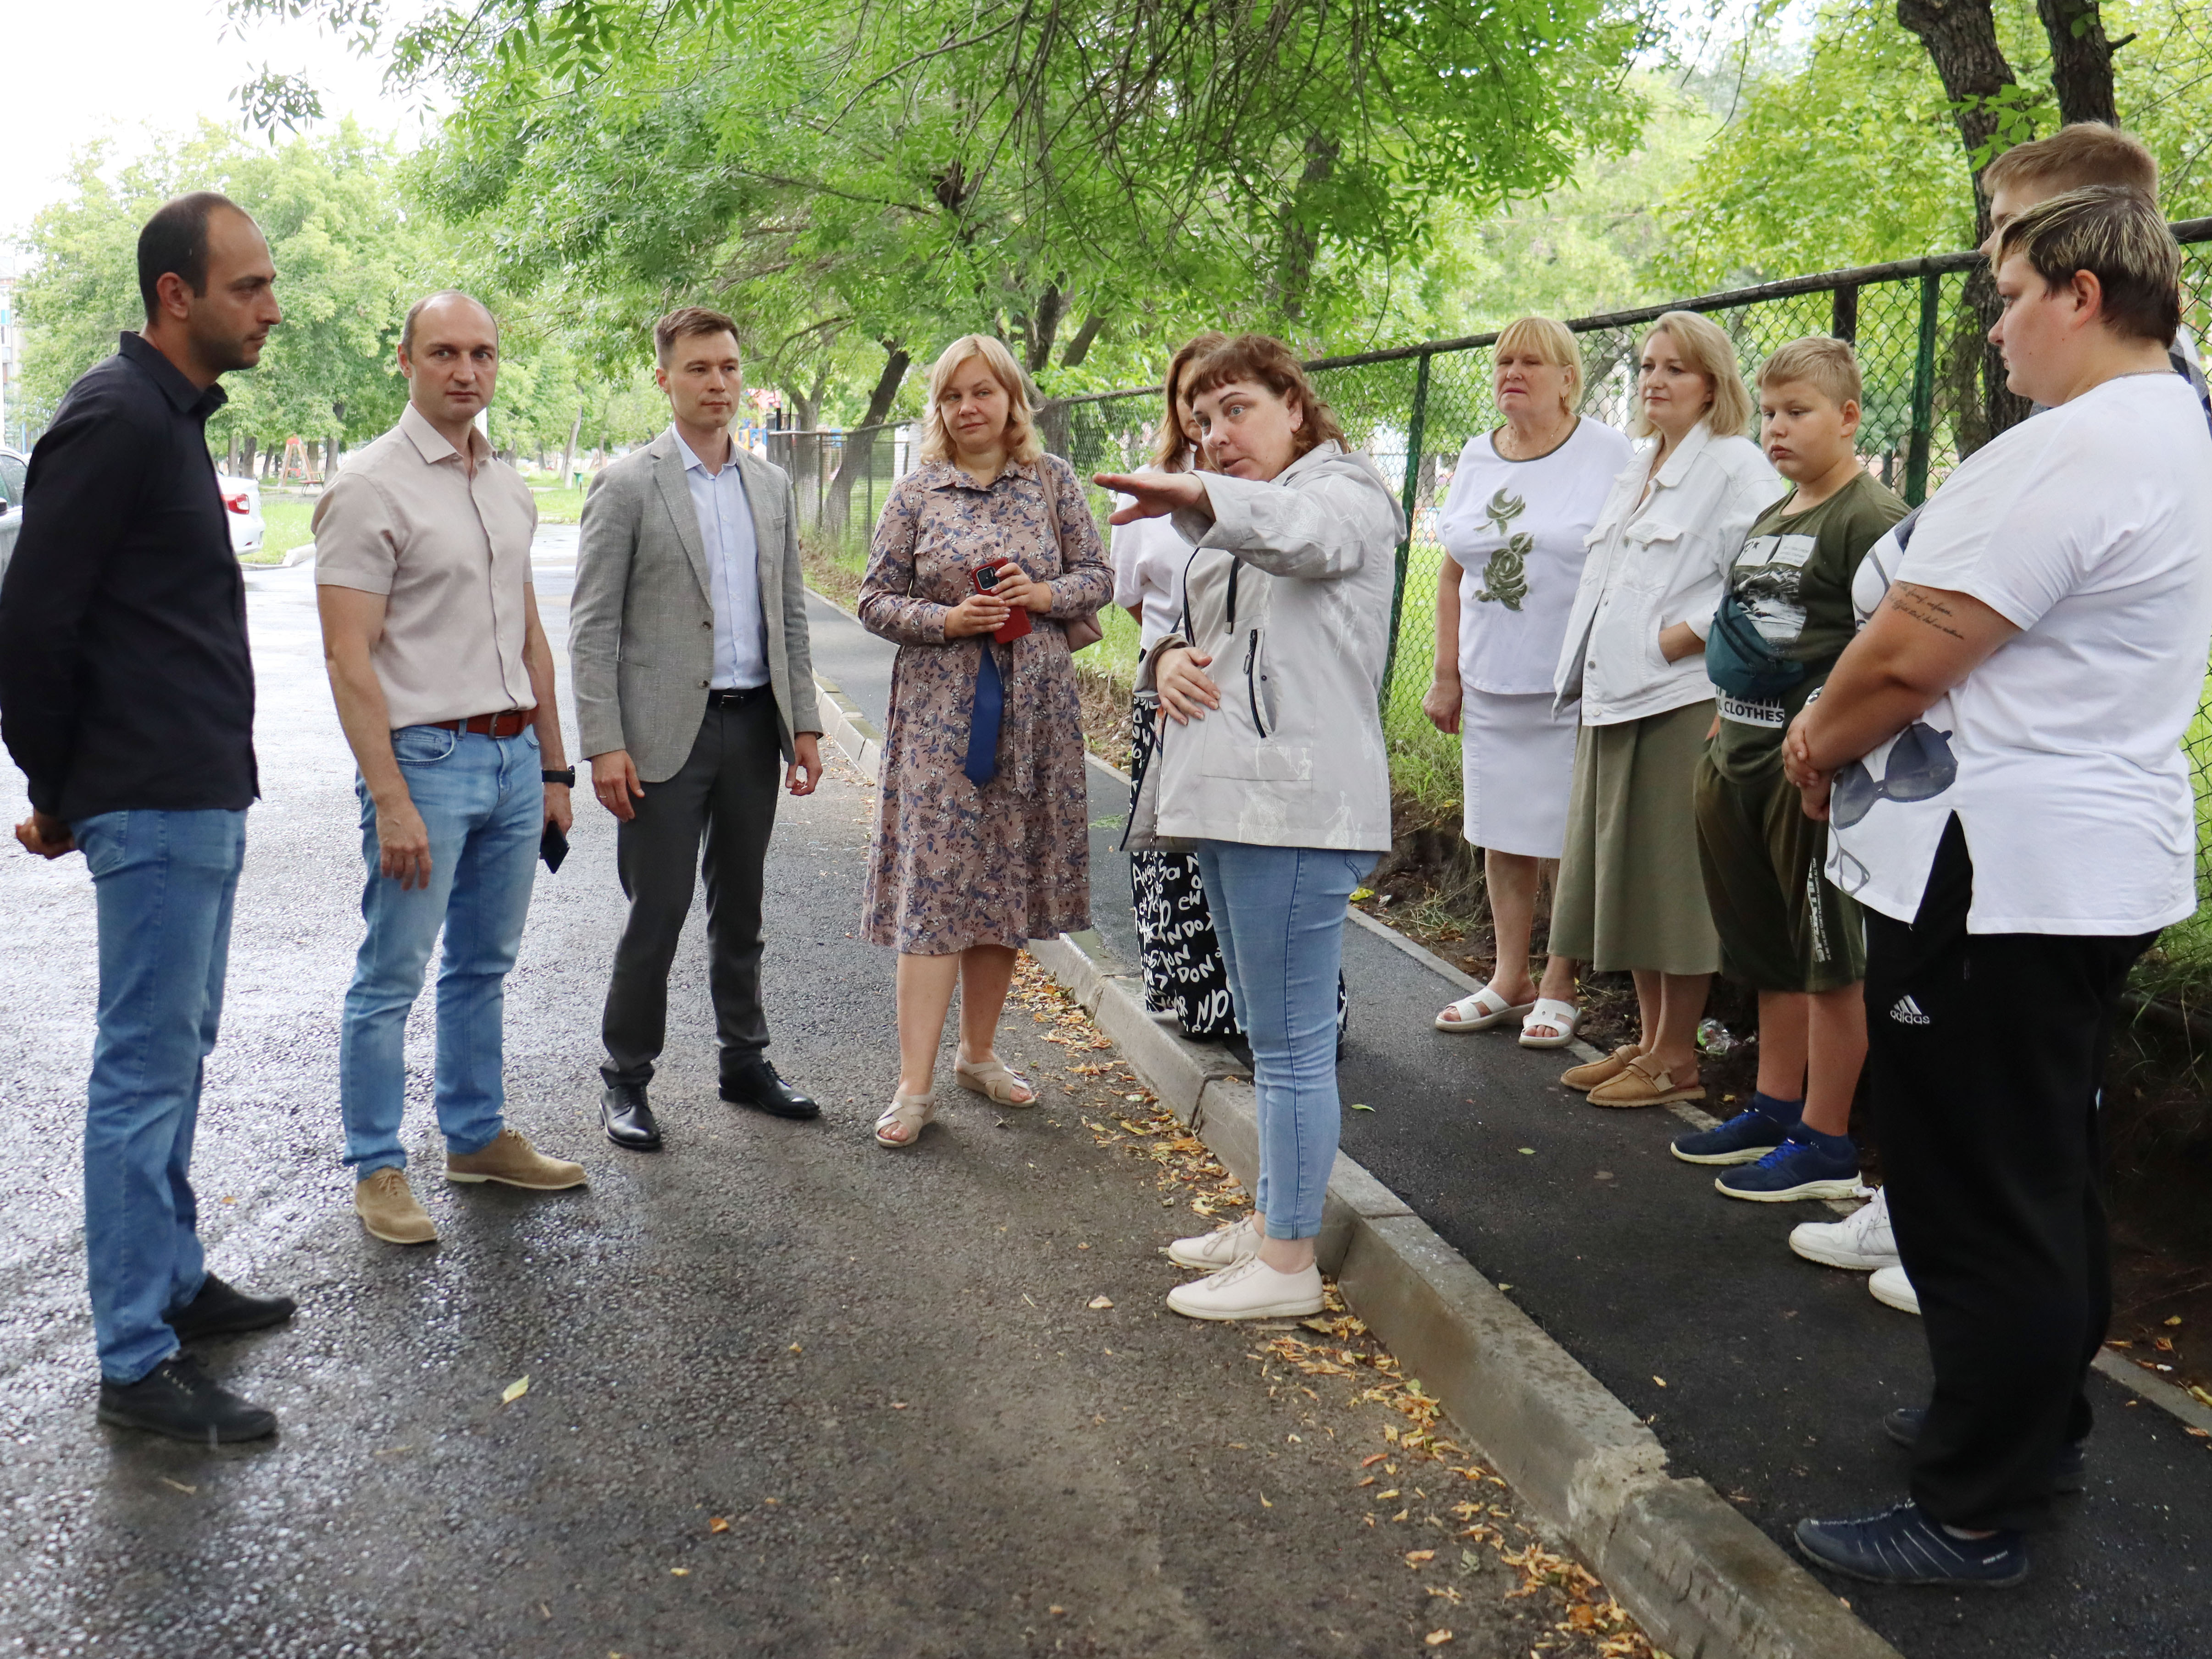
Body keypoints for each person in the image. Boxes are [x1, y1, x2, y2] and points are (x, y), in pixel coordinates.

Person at [1784, 188, 2212, 1588]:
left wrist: (1813, 741)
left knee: (1981, 1189)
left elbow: (1920, 648)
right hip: (2073, 861)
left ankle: (1972, 1508)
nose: (1994, 321)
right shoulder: (2171, 425)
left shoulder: (2091, 440)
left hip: (2004, 870)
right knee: (2041, 1172)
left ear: (2082, 294)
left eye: (2007, 290)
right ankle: (2032, 1427)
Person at [0, 193, 294, 1441]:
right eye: (248, 288)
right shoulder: (116, 417)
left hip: (198, 794)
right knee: (142, 1071)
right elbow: (31, 619)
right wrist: (60, 785)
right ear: (177, 295)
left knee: (180, 1056)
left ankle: (172, 1283)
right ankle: (131, 1361)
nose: (270, 308)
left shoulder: (170, 419)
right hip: (151, 800)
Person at [1100, 334, 1407, 1321]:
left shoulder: (1346, 493)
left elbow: (1306, 537)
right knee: (1264, 1041)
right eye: (1199, 421)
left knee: (1288, 1049)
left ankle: (1288, 1265)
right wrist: (1167, 667)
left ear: (1296, 407)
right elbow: (1231, 641)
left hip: (1295, 809)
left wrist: (1197, 496)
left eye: (1236, 409)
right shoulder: (1250, 515)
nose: (1214, 435)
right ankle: (1275, 1217)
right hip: (1233, 800)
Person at [316, 290, 586, 1245]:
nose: (465, 370)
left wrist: (555, 769)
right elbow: (351, 660)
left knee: (484, 964)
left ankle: (475, 1138)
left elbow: (531, 632)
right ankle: (378, 1167)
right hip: (425, 761)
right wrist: (390, 797)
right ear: (405, 361)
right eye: (443, 353)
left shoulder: (504, 481)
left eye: (481, 353)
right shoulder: (369, 485)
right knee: (392, 971)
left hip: (515, 760)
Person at [569, 306, 825, 1151]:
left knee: (741, 905)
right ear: (665, 379)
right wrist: (604, 742)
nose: (718, 384)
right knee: (660, 909)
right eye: (699, 370)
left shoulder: (771, 487)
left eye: (728, 368)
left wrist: (808, 725)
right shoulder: (628, 483)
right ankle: (626, 1077)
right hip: (659, 739)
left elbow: (788, 612)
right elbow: (593, 626)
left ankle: (744, 1061)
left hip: (754, 728)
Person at [859, 335, 1114, 1149]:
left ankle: (978, 1055)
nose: (969, 408)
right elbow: (873, 600)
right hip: (940, 713)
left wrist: (1039, 593)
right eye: (953, 396)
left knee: (1002, 881)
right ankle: (913, 1084)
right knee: (935, 888)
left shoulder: (1052, 482)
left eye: (984, 393)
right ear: (939, 408)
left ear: (1012, 400)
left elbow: (1098, 579)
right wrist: (945, 620)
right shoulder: (915, 494)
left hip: (1034, 712)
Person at [1672, 338, 1907, 1201]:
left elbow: (1885, 650)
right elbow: (1747, 631)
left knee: (1829, 954)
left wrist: (1829, 745)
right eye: (1769, 412)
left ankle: (1829, 1138)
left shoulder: (1869, 518)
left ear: (1849, 418)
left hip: (1808, 774)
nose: (1777, 428)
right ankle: (1775, 1106)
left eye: (1798, 412)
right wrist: (1721, 720)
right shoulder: (1777, 517)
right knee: (1769, 948)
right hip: (1735, 752)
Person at [1547, 312, 1779, 1108]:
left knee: (1674, 882)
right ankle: (1648, 1044)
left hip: (1678, 698)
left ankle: (1679, 1053)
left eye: (1675, 369)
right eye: (1648, 367)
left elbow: (1765, 576)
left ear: (1712, 382)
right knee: (1630, 876)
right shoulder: (1642, 463)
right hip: (1614, 697)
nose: (1654, 381)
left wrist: (1681, 638)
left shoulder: (1737, 467)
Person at [1422, 317, 1632, 1049]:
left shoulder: (1609, 454)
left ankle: (1559, 983)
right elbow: (1452, 571)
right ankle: (1509, 977)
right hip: (1488, 677)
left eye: (1531, 362)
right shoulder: (1479, 456)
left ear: (1568, 377)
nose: (1512, 372)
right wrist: (1445, 675)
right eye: (1504, 360)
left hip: (1571, 681)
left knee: (1563, 836)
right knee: (1501, 829)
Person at [1112, 331, 1241, 1038]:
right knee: (1167, 854)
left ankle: (1240, 996)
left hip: (1241, 695)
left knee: (1231, 856)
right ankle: (1178, 985)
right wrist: (1167, 655)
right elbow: (1137, 597)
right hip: (1163, 691)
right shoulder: (1149, 483)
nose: (1206, 414)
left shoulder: (1266, 486)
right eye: (1192, 397)